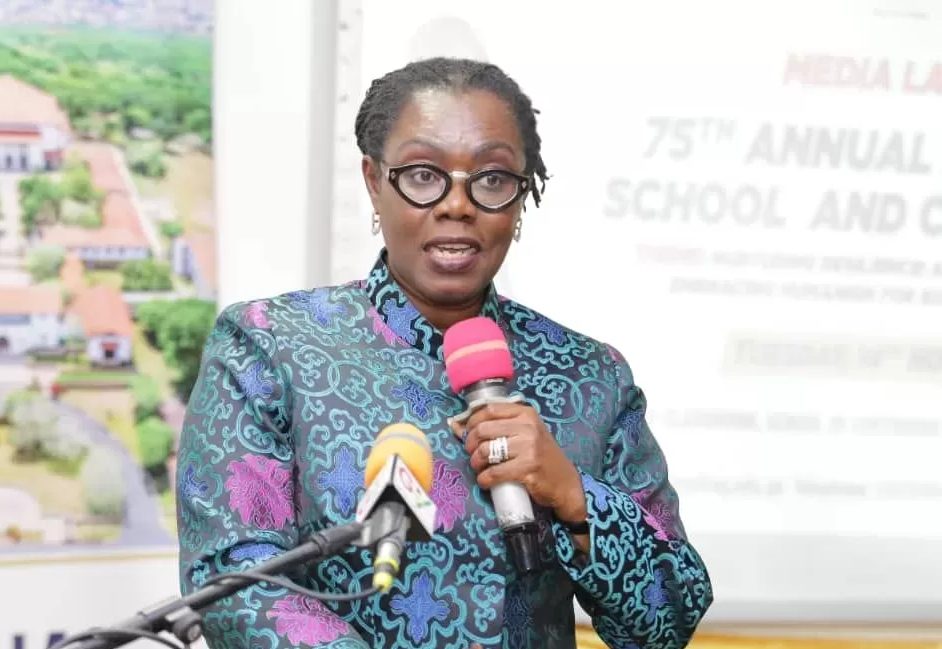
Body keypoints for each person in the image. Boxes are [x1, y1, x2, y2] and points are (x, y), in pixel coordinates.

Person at [177, 57, 713, 649]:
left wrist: (575, 496)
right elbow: (234, 582)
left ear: (520, 197)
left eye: (492, 179)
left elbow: (668, 623)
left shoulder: (591, 376)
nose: (458, 204)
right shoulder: (268, 345)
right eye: (423, 174)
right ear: (374, 182)